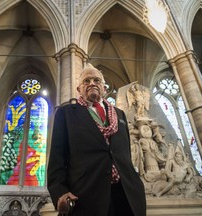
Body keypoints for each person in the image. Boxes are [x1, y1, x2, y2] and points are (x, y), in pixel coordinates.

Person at [47, 64, 146, 216]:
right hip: (87, 196)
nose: (92, 83)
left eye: (96, 80)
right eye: (86, 81)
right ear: (79, 89)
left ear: (104, 88)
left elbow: (124, 154)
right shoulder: (66, 113)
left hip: (126, 195)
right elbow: (57, 158)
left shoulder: (120, 115)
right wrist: (59, 191)